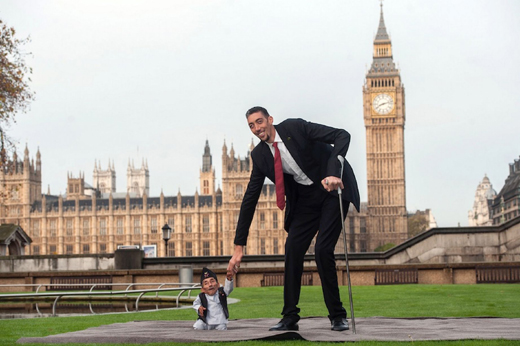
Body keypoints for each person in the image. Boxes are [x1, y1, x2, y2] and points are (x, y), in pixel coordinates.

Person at [227, 106, 360, 332]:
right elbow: (250, 198)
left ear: (270, 120)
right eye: (251, 125)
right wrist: (239, 246)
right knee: (292, 248)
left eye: (259, 122)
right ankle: (290, 317)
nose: (257, 128)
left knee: (322, 250)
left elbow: (341, 135)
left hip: (330, 189)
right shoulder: (259, 155)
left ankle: (337, 316)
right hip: (305, 200)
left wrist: (333, 171)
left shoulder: (294, 128)